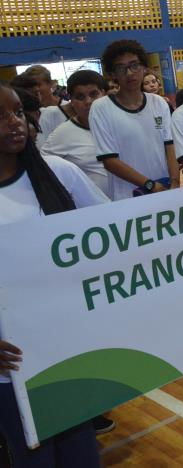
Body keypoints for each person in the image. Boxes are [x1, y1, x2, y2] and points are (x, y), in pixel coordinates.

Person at [0, 82, 106, 467]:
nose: (14, 123)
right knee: (35, 460)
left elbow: (112, 233)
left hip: (68, 349)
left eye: (16, 113)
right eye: (0, 116)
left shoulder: (58, 172)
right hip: (11, 368)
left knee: (82, 457)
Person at [90, 40, 180, 200]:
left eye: (134, 65)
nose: (130, 73)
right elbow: (109, 160)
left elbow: (169, 145)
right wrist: (150, 185)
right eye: (121, 68)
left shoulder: (159, 102)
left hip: (164, 190)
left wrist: (174, 182)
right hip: (128, 197)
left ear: (144, 67)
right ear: (112, 74)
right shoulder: (101, 108)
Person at [41, 70, 111, 198]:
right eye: (80, 97)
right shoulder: (62, 134)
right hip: (93, 211)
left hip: (130, 202)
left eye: (93, 94)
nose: (88, 101)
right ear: (71, 100)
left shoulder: (119, 123)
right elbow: (41, 169)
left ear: (104, 94)